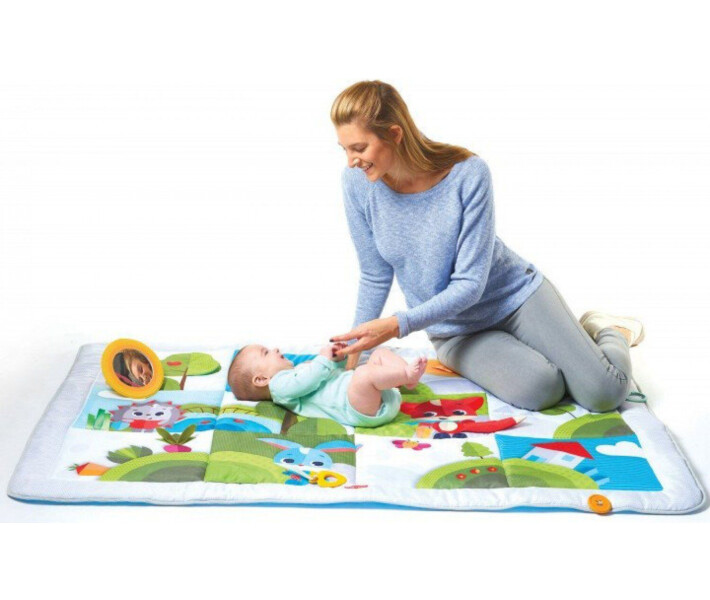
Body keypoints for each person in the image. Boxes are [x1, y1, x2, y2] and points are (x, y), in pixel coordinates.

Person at [328, 80, 644, 413]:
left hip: (515, 297)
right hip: (455, 332)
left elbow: (470, 283)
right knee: (542, 389)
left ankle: (610, 330)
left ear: (394, 134)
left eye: (359, 148)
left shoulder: (467, 174)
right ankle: (565, 350)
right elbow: (375, 274)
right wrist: (354, 354)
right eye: (344, 149)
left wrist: (397, 324)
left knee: (604, 392)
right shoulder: (357, 184)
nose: (351, 161)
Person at [227, 342, 427, 427]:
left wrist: (337, 358)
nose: (275, 349)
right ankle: (406, 374)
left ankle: (406, 378)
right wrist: (323, 359)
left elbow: (328, 374)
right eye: (266, 353)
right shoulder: (279, 387)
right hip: (357, 407)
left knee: (379, 354)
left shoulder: (300, 369)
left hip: (372, 394)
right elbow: (306, 381)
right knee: (364, 374)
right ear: (262, 380)